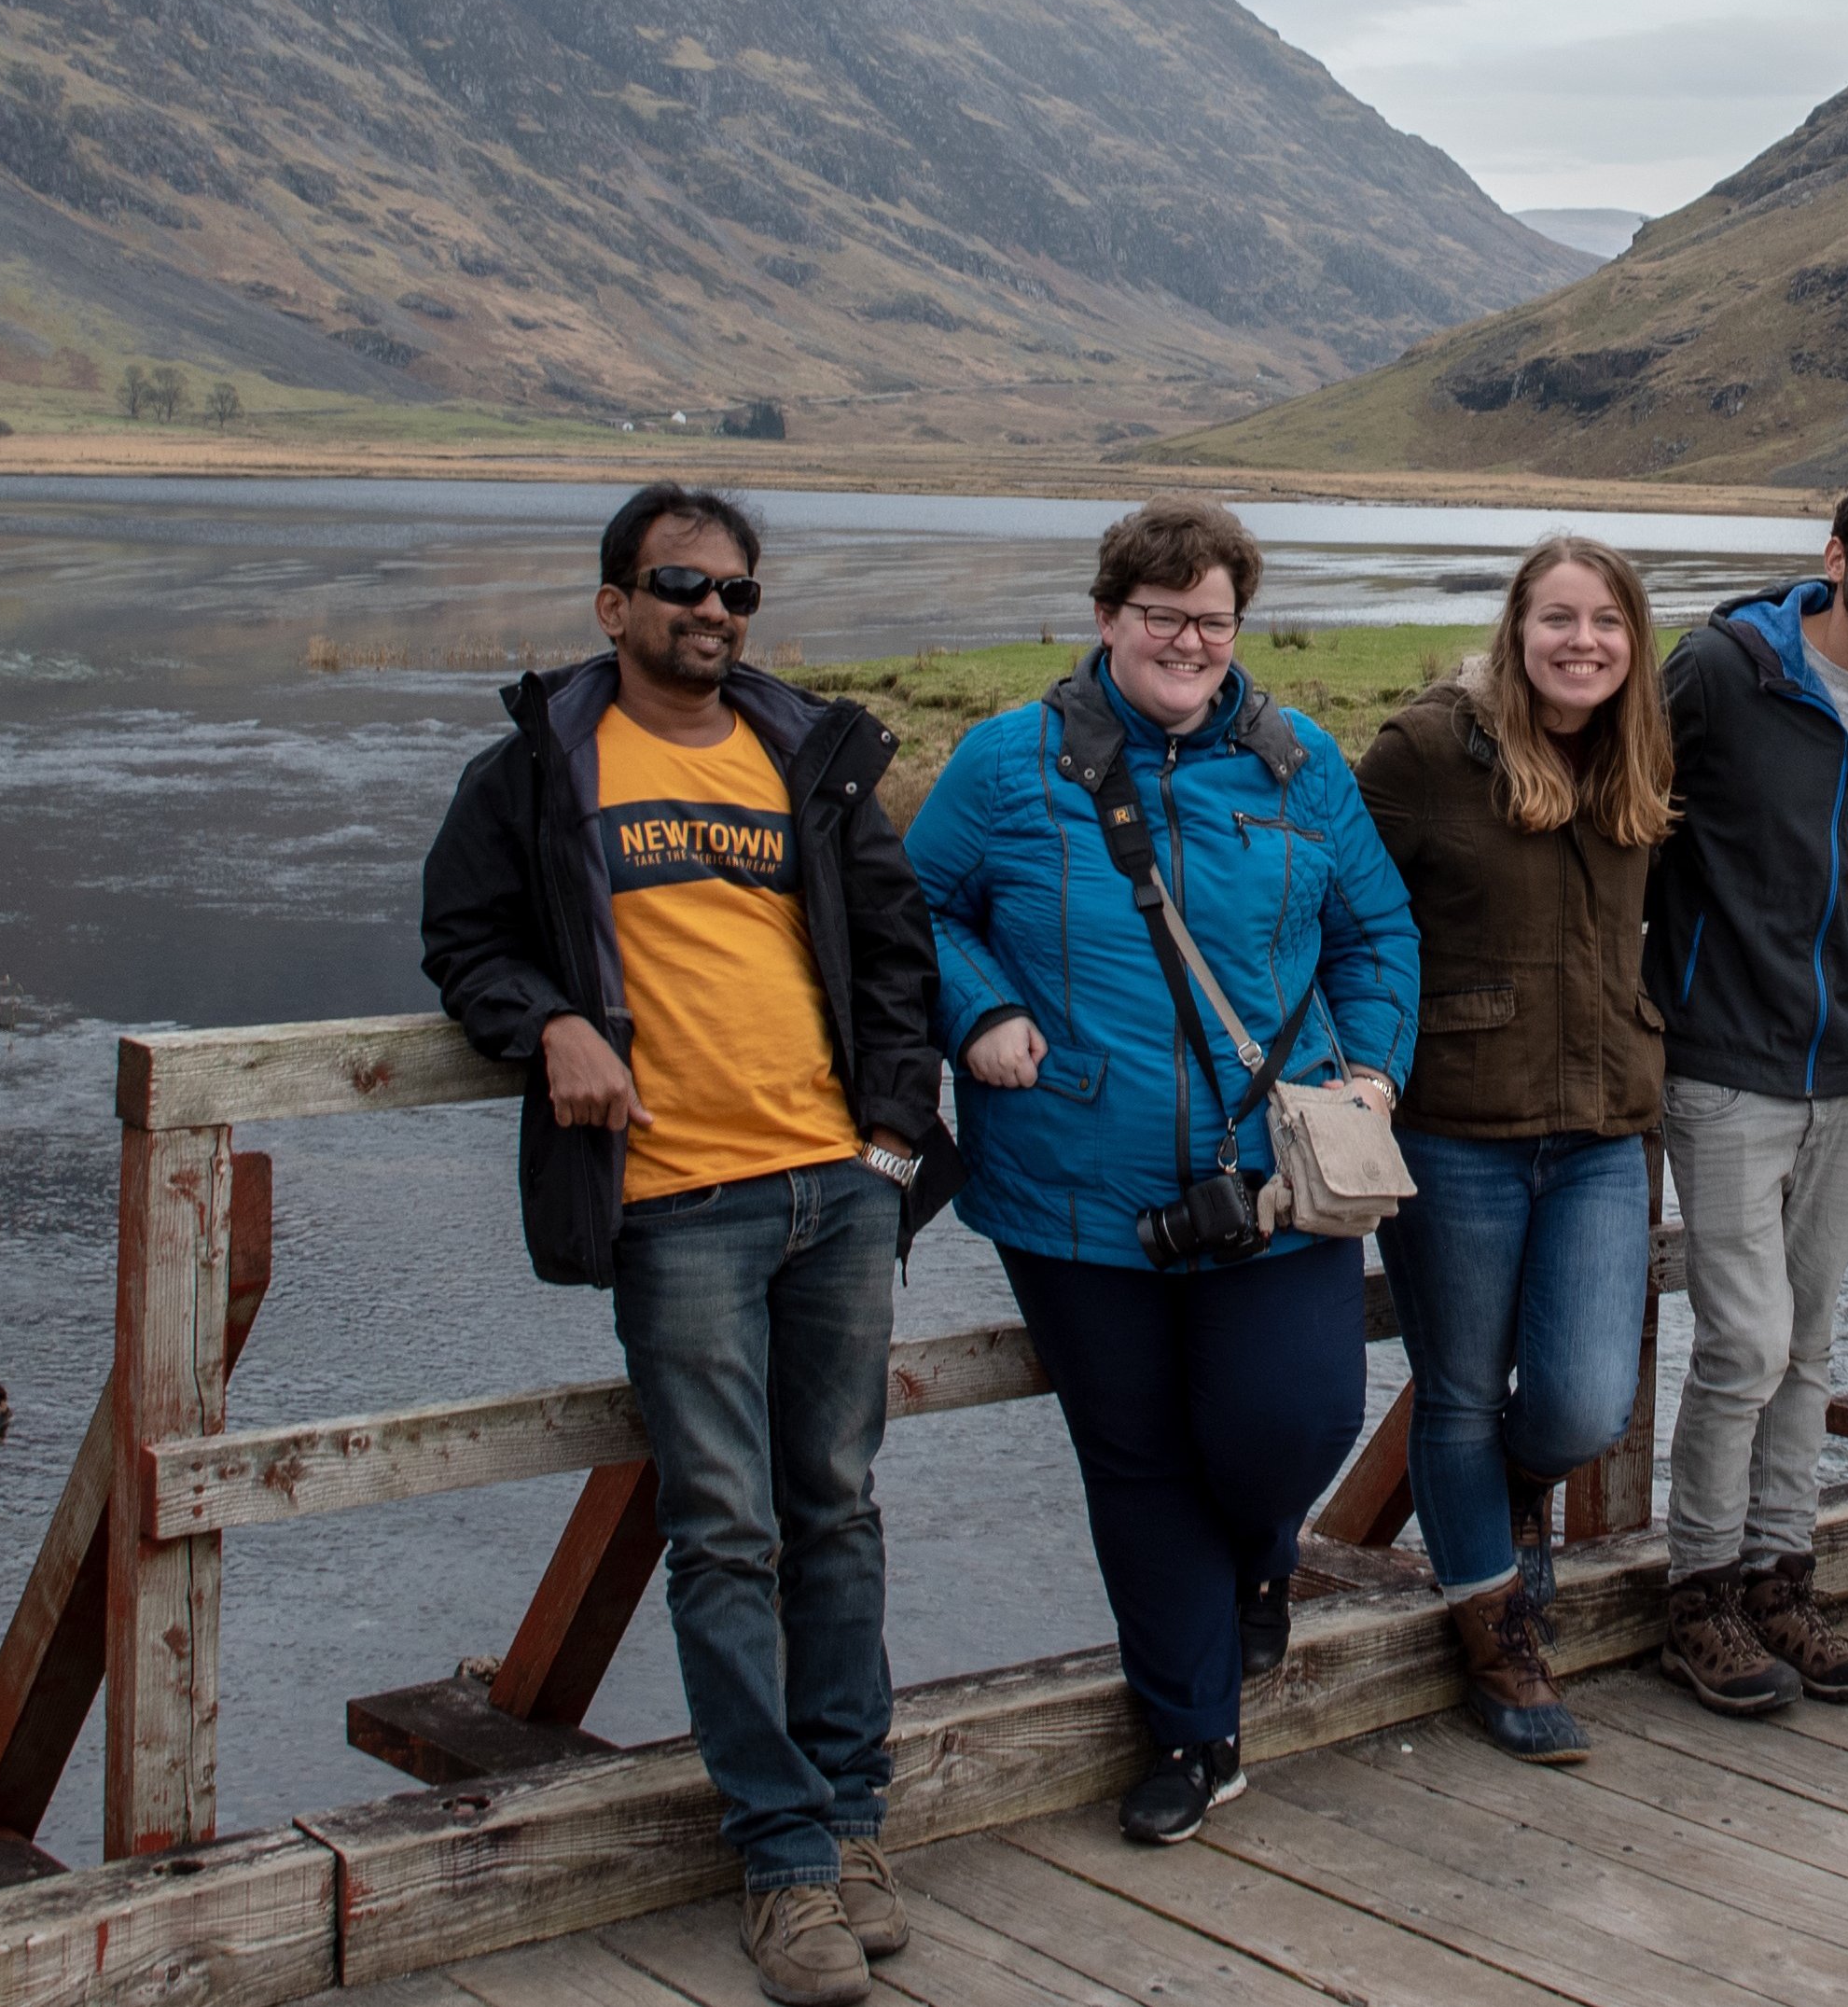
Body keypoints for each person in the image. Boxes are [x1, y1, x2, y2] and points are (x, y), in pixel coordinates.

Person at [421, 482, 958, 2007]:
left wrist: (890, 1141)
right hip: (675, 1202)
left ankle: (852, 1821)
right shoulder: (537, 768)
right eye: (679, 586)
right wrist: (551, 1027)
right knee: (726, 1531)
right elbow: (464, 942)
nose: (711, 613)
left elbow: (895, 948)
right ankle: (785, 1861)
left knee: (837, 1510)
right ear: (612, 607)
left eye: (735, 594)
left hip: (835, 1191)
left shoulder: (810, 753)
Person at [904, 495, 1420, 1848]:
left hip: (1275, 1176)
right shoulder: (1005, 765)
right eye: (1162, 615)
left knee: (1295, 1421)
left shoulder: (1301, 761)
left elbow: (1376, 933)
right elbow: (912, 911)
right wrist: (976, 1010)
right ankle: (1193, 1730)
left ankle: (1263, 1558)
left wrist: (1369, 1069)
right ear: (1106, 617)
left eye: (1212, 618)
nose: (1188, 641)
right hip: (1076, 1183)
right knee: (1135, 1460)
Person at [1647, 467, 1848, 1713]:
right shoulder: (1724, 671)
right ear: (1832, 556)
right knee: (1743, 1339)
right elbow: (1628, 811)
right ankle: (1700, 1595)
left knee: (1811, 1338)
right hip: (1722, 1057)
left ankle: (1784, 1580)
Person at [1355, 535, 1677, 1767]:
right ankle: (1494, 1630)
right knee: (1455, 1390)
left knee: (1584, 1398)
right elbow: (1338, 905)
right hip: (1455, 1128)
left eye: (1605, 619)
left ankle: (1496, 1508)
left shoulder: (1639, 744)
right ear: (1515, 624)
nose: (1582, 640)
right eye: (1557, 617)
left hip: (1605, 1126)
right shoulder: (1427, 747)